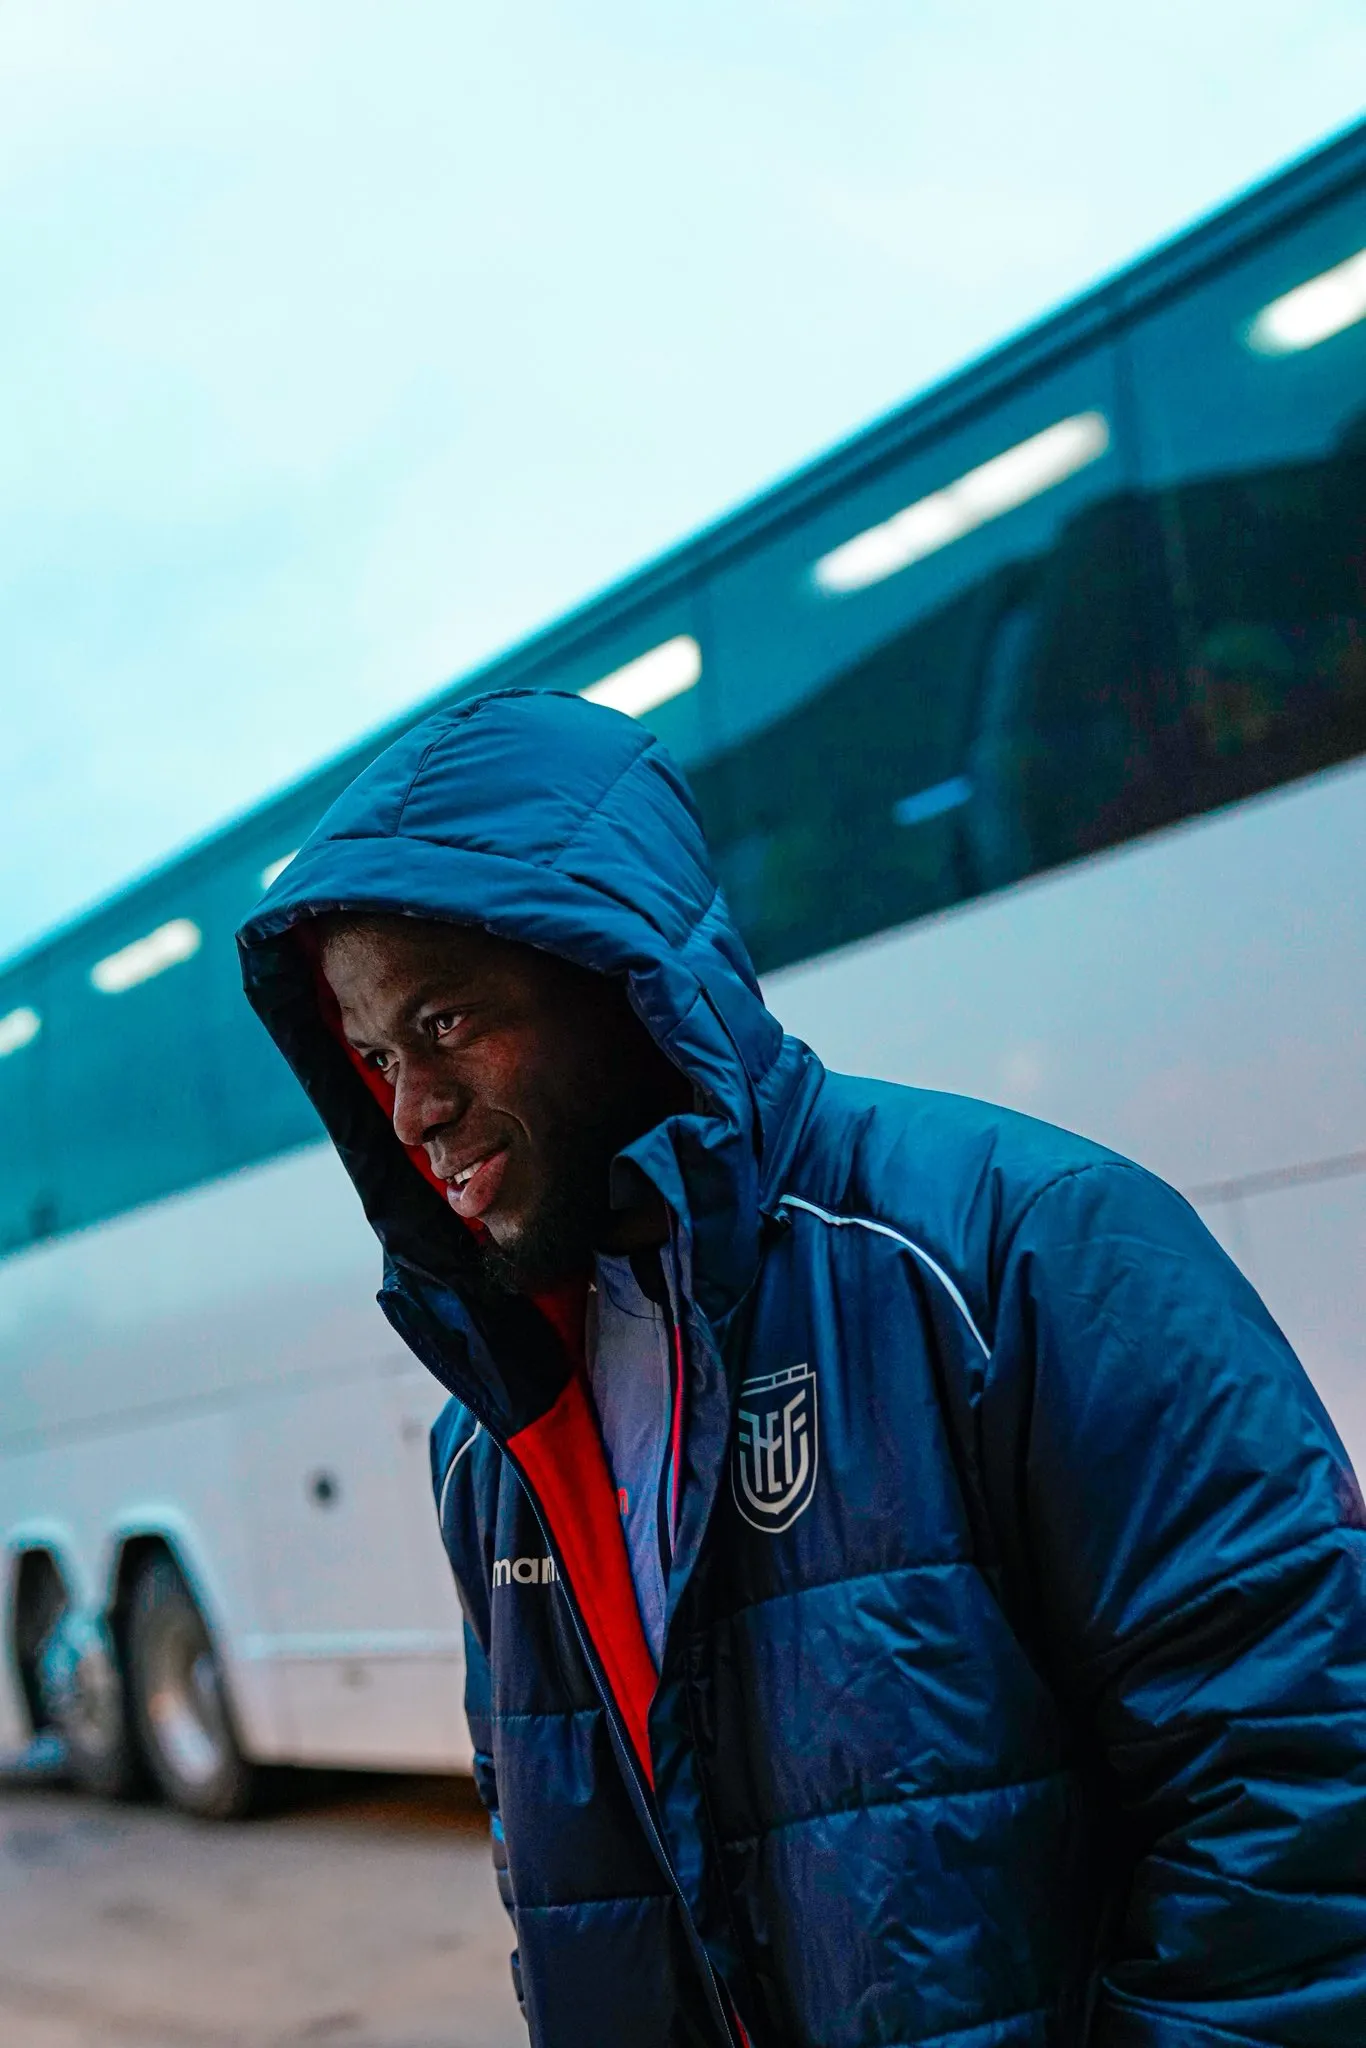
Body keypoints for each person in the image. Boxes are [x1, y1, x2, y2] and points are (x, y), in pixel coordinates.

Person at [238, 687, 1366, 2048]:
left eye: (443, 1025)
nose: (410, 1109)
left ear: (617, 969)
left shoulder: (1020, 1249)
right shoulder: (486, 1444)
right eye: (371, 1056)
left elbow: (1293, 1780)